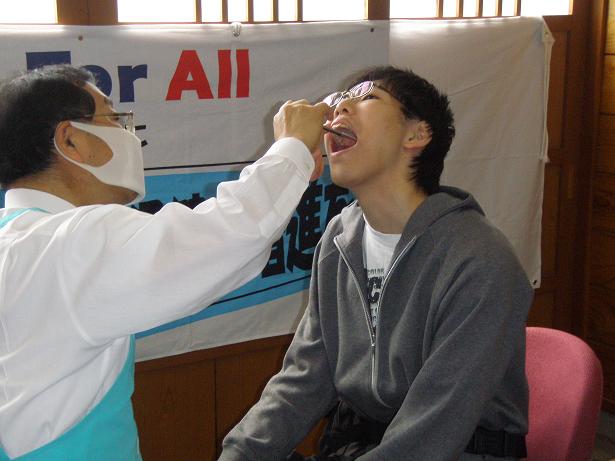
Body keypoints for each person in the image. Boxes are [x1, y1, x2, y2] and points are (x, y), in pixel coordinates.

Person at [0, 64, 330, 460]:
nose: (130, 136)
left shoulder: (20, 238)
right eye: (114, 118)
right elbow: (231, 234)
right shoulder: (68, 244)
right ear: (70, 140)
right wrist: (292, 147)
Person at [219, 65, 534, 461]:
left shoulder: (479, 260)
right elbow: (304, 380)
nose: (338, 110)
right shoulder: (339, 240)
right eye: (338, 102)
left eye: (367, 97)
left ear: (417, 134)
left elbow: (433, 431)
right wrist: (240, 454)